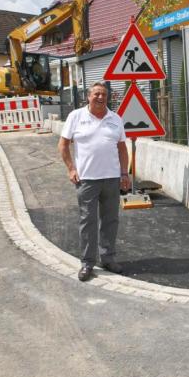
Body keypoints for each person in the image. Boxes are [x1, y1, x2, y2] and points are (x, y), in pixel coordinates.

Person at [58, 82, 131, 281]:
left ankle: (108, 258)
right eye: (96, 94)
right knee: (87, 222)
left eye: (104, 95)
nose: (100, 98)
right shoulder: (76, 117)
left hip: (111, 179)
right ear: (88, 97)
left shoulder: (115, 119)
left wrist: (124, 174)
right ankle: (87, 263)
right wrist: (71, 168)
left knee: (110, 221)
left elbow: (122, 149)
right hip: (87, 180)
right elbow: (63, 145)